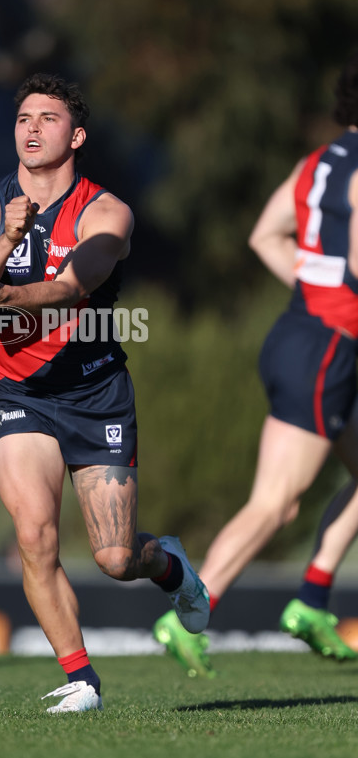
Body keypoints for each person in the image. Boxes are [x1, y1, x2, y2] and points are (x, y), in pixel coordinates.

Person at [0, 72, 209, 711]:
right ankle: (81, 679)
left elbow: (68, 289)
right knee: (34, 536)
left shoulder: (106, 212)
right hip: (20, 394)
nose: (32, 128)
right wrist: (7, 236)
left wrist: (0, 294)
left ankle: (167, 563)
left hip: (96, 394)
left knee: (116, 557)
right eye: (24, 117)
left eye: (48, 118)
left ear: (77, 134)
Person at [153, 51, 358, 677]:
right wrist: (329, 295)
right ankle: (187, 609)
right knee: (276, 503)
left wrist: (312, 286)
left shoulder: (317, 164)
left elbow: (266, 235)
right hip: (326, 346)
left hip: (303, 336)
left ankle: (312, 601)